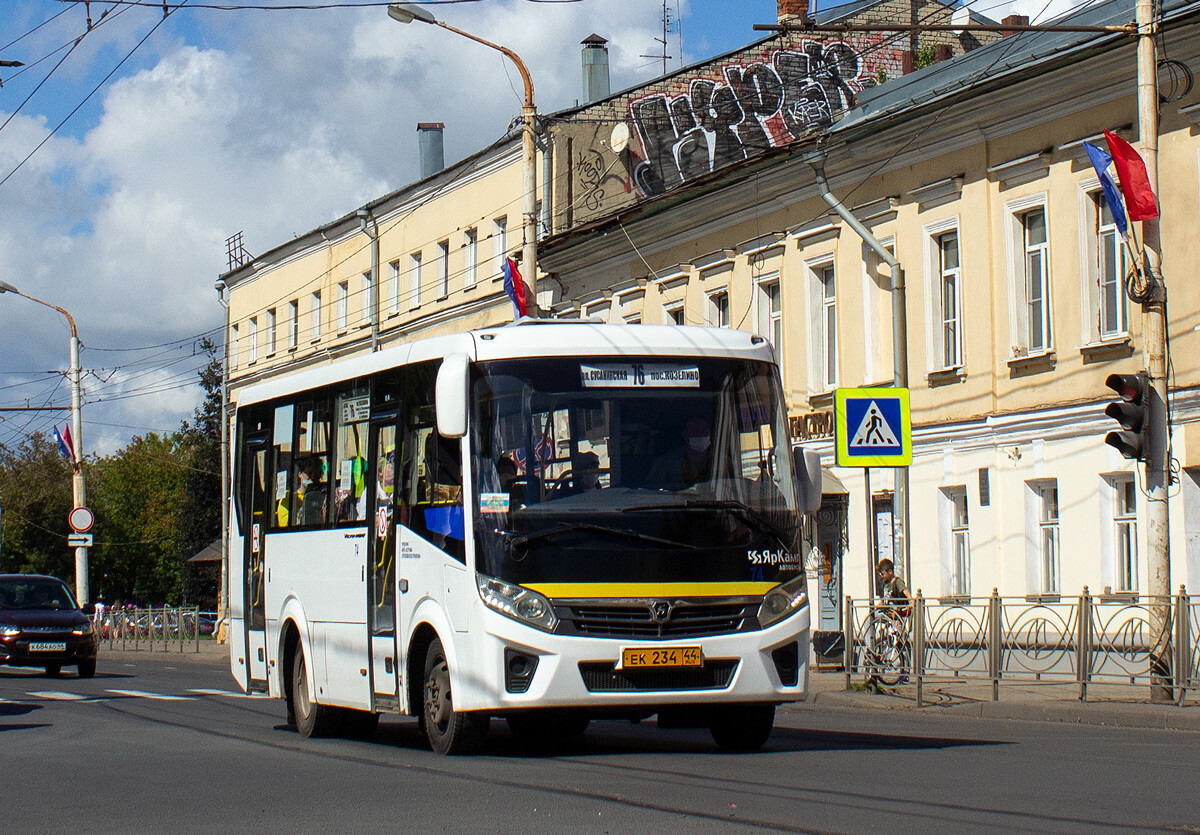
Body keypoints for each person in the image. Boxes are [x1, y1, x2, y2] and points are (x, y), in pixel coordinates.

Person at [646, 416, 712, 489]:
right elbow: (650, 491)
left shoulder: (721, 460)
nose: (701, 435)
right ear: (685, 435)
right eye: (696, 432)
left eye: (705, 432)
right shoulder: (666, 461)